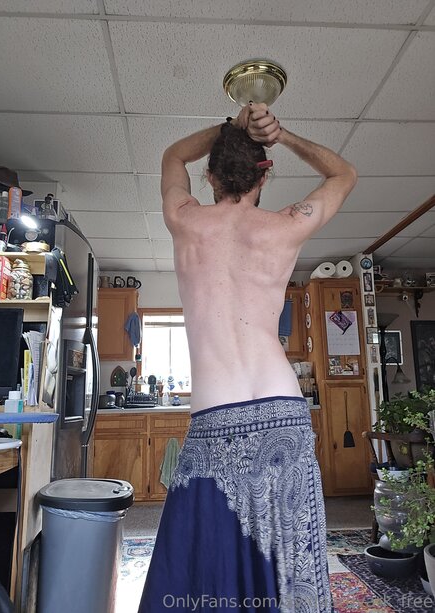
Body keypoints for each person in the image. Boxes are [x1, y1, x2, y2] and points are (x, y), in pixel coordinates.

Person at [138, 103, 357, 612]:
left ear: (210, 177)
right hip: (283, 411)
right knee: (290, 558)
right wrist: (281, 135)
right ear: (265, 174)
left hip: (217, 416)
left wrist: (230, 127)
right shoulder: (285, 226)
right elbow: (344, 173)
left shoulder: (186, 220)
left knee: (206, 555)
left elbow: (173, 155)